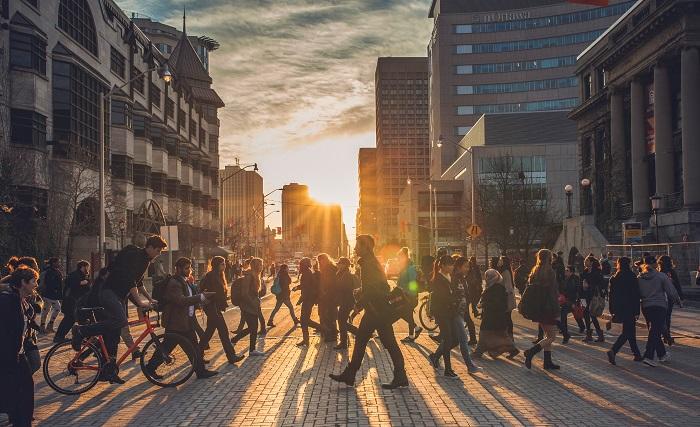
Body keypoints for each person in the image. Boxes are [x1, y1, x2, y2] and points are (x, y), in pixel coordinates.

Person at [72, 236, 167, 384]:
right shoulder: (137, 257)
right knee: (121, 321)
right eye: (158, 250)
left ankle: (108, 370)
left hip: (119, 296)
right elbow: (130, 279)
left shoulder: (145, 261)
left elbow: (138, 282)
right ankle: (82, 330)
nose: (159, 253)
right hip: (109, 292)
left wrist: (149, 299)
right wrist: (140, 302)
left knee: (115, 333)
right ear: (150, 247)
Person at [329, 235, 407, 389]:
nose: (356, 248)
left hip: (376, 311)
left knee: (381, 343)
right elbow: (377, 287)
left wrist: (358, 306)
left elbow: (372, 289)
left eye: (358, 245)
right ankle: (352, 375)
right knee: (371, 342)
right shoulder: (370, 263)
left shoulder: (368, 264)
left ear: (365, 247)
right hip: (377, 311)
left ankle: (398, 376)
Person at [145, 257, 218, 379]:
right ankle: (150, 368)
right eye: (186, 268)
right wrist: (200, 297)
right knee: (167, 348)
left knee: (193, 348)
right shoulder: (174, 283)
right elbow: (181, 301)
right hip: (176, 323)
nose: (189, 270)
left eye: (189, 267)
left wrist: (200, 302)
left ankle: (200, 371)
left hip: (186, 322)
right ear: (178, 269)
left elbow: (190, 298)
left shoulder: (185, 281)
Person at [1, 266, 39, 427]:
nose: (36, 284)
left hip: (18, 354)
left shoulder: (23, 301)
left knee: (25, 394)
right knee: (19, 395)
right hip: (7, 355)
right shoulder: (7, 301)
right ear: (23, 282)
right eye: (33, 281)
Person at [199, 256, 244, 364]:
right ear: (217, 265)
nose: (225, 266)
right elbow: (212, 292)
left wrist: (224, 298)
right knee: (223, 332)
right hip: (212, 308)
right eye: (222, 264)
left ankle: (197, 354)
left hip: (215, 308)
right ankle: (231, 356)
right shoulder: (212, 276)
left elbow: (218, 292)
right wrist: (221, 298)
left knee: (208, 333)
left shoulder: (218, 275)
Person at [638, 256, 681, 367]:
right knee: (655, 331)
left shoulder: (640, 277)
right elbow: (671, 290)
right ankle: (648, 356)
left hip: (646, 306)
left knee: (654, 330)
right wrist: (678, 301)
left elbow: (637, 293)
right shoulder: (661, 276)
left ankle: (662, 354)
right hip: (659, 305)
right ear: (654, 264)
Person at [524, 249, 561, 370]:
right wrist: (557, 309)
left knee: (547, 334)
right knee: (552, 337)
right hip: (549, 307)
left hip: (538, 307)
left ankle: (547, 361)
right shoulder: (550, 272)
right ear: (549, 258)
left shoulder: (535, 270)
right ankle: (530, 352)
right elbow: (553, 293)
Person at [473, 266, 518, 360]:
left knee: (484, 333)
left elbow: (496, 303)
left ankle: (478, 352)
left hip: (492, 316)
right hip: (497, 316)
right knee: (501, 335)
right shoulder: (496, 286)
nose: (487, 278)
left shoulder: (496, 288)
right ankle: (512, 349)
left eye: (488, 276)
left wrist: (484, 304)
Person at [606, 257, 642, 365]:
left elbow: (610, 295)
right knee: (627, 332)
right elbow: (635, 295)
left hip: (618, 308)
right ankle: (613, 350)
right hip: (629, 307)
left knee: (631, 331)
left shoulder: (614, 278)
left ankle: (637, 354)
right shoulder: (632, 277)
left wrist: (612, 310)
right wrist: (637, 311)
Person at [231, 258, 266, 356]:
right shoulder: (249, 276)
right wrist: (252, 303)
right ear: (256, 266)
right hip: (247, 306)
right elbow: (245, 293)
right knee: (253, 327)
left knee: (252, 328)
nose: (262, 267)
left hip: (251, 305)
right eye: (260, 265)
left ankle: (235, 340)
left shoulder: (255, 276)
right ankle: (252, 350)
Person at [54, 260, 91, 342]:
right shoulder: (75, 275)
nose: (88, 269)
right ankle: (59, 337)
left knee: (72, 319)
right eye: (87, 267)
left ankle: (61, 336)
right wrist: (80, 283)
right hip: (70, 301)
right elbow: (69, 283)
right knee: (69, 319)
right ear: (83, 266)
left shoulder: (82, 275)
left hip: (75, 301)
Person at [396, 247, 422, 343]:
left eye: (400, 257)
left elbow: (412, 283)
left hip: (410, 296)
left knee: (401, 312)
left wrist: (411, 294)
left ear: (405, 257)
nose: (398, 259)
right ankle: (412, 335)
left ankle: (416, 328)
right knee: (408, 314)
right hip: (405, 296)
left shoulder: (410, 268)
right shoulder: (404, 268)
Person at [294, 257, 321, 346]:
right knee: (305, 320)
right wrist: (297, 287)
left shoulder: (306, 273)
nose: (300, 266)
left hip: (308, 299)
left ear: (304, 265)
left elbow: (306, 288)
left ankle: (323, 329)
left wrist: (300, 300)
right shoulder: (308, 272)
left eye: (301, 264)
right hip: (309, 299)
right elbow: (305, 285)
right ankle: (307, 339)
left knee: (304, 320)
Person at [657, 255, 684, 346]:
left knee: (661, 317)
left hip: (660, 297)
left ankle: (664, 335)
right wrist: (681, 297)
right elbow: (677, 285)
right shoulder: (671, 272)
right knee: (667, 317)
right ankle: (666, 335)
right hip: (669, 297)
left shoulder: (658, 272)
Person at [580, 255, 605, 342]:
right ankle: (592, 334)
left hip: (593, 295)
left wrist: (589, 285)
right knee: (588, 314)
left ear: (591, 262)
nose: (585, 262)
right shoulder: (585, 271)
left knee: (591, 314)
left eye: (587, 260)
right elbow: (582, 280)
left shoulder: (597, 271)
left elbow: (600, 283)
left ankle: (597, 335)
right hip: (586, 295)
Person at [333, 257, 356, 349]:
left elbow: (347, 290)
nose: (338, 265)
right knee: (342, 321)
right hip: (345, 301)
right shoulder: (342, 273)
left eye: (340, 263)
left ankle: (344, 343)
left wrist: (353, 304)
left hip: (347, 301)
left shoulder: (346, 275)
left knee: (341, 321)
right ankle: (358, 333)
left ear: (345, 265)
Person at [453, 256, 477, 345]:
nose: (468, 269)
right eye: (466, 266)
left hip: (462, 305)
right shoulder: (456, 277)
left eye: (468, 266)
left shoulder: (461, 277)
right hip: (459, 305)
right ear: (459, 267)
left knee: (467, 321)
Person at [560, 266, 585, 343]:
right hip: (566, 301)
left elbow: (578, 290)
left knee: (576, 315)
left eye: (567, 270)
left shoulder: (575, 279)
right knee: (563, 315)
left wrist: (576, 301)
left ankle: (581, 326)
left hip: (573, 300)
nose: (565, 272)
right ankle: (565, 331)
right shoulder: (565, 279)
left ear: (571, 272)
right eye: (565, 270)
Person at [317, 254, 339, 343]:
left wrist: (325, 292)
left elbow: (332, 283)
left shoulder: (330, 268)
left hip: (330, 296)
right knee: (326, 315)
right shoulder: (325, 268)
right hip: (326, 296)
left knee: (329, 316)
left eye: (321, 260)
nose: (320, 262)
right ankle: (329, 333)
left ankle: (332, 335)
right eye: (319, 261)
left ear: (325, 260)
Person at [39, 257, 64, 334]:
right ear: (53, 263)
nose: (59, 264)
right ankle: (48, 325)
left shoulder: (55, 271)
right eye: (57, 262)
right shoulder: (50, 272)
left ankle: (43, 326)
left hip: (50, 294)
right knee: (57, 308)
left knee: (46, 309)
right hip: (49, 294)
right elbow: (50, 283)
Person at [499, 256, 516, 337]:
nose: (499, 261)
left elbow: (508, 287)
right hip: (508, 297)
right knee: (507, 318)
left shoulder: (505, 272)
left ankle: (510, 335)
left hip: (507, 298)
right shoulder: (506, 271)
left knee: (507, 318)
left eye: (500, 260)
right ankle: (509, 335)